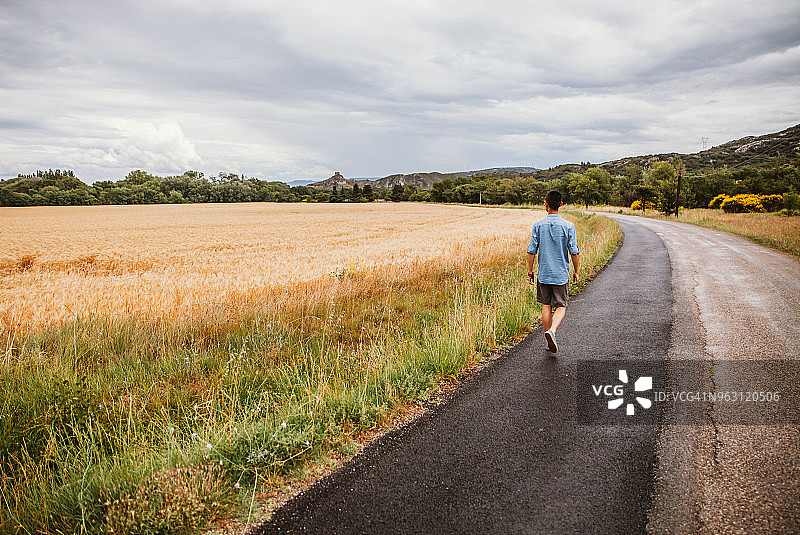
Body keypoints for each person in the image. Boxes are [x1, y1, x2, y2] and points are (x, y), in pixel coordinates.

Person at [527, 190, 580, 353]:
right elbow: (574, 251)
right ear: (561, 205)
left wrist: (530, 271)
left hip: (544, 274)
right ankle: (553, 331)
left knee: (546, 304)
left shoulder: (538, 225)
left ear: (546, 205)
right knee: (561, 305)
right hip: (560, 274)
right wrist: (576, 271)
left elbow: (531, 251)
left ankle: (548, 340)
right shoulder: (569, 226)